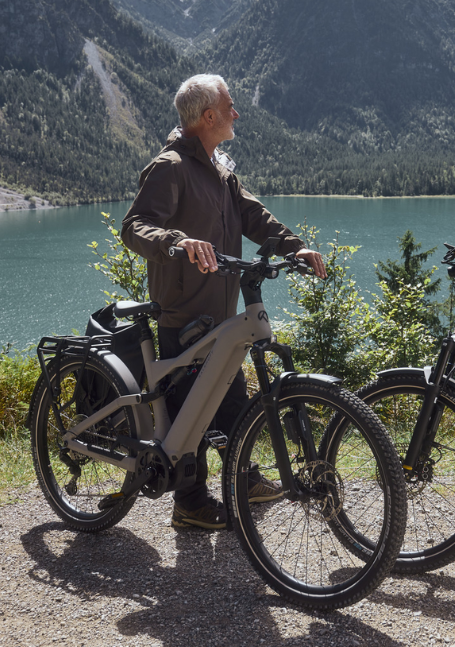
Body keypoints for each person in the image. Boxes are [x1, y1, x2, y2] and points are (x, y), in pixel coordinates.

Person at [122, 73, 326, 530]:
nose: (237, 113)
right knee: (188, 415)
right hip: (183, 315)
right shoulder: (171, 167)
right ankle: (189, 503)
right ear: (208, 115)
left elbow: (253, 214)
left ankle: (244, 477)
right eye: (230, 106)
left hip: (220, 315)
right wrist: (176, 241)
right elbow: (134, 226)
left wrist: (294, 246)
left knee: (232, 400)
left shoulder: (219, 168)